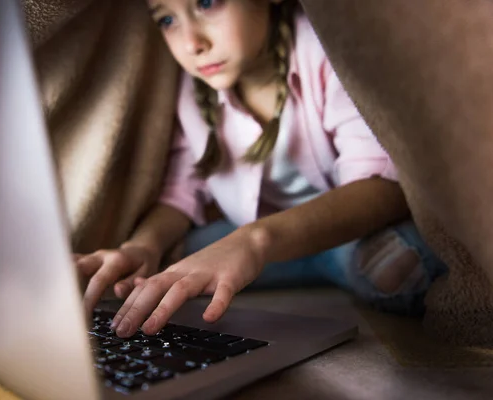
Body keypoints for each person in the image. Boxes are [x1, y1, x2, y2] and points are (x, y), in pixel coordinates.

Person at [76, 0, 447, 339]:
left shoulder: (326, 50)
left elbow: (383, 187)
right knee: (168, 265)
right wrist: (142, 246)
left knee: (403, 266)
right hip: (250, 237)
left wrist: (253, 242)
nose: (191, 43)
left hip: (342, 232)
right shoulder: (194, 89)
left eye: (206, 3)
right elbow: (181, 193)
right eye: (168, 19)